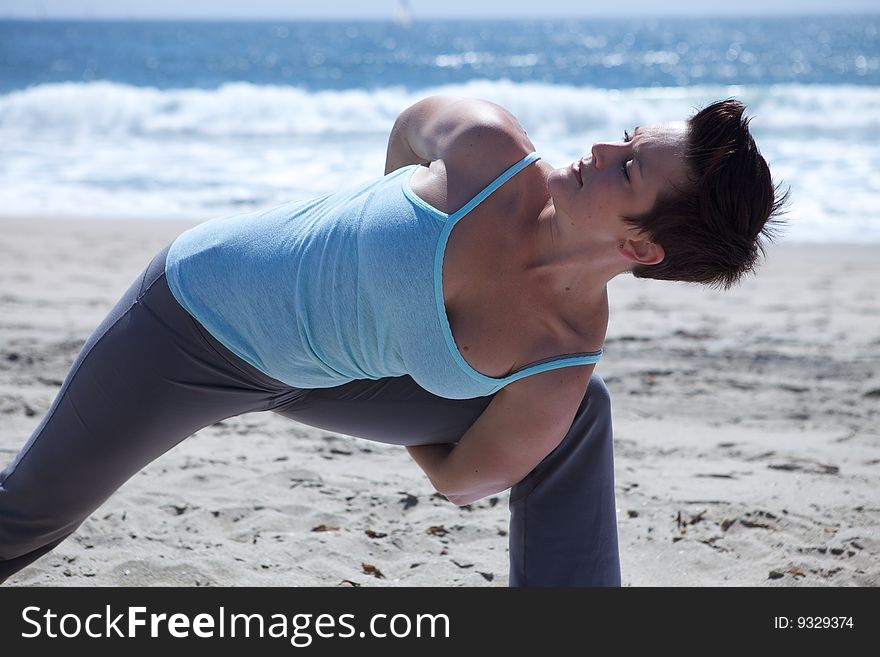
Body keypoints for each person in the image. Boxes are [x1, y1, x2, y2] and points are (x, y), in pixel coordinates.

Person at [0, 95, 786, 586]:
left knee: (579, 412)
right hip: (195, 322)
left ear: (644, 250)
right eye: (624, 138)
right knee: (30, 513)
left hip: (326, 373)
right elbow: (412, 127)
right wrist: (378, 247)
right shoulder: (486, 149)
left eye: (627, 171)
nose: (602, 151)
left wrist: (388, 353)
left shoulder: (557, 359)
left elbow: (459, 480)